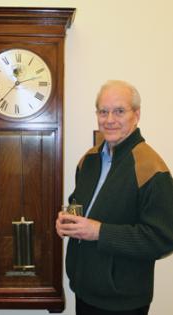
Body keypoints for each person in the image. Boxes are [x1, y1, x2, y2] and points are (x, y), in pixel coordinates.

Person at [56, 80, 173, 315]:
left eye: (119, 111)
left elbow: (163, 239)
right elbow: (78, 204)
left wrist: (100, 232)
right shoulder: (88, 160)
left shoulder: (152, 168)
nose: (109, 120)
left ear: (136, 115)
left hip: (124, 301)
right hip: (84, 289)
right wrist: (66, 219)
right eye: (103, 111)